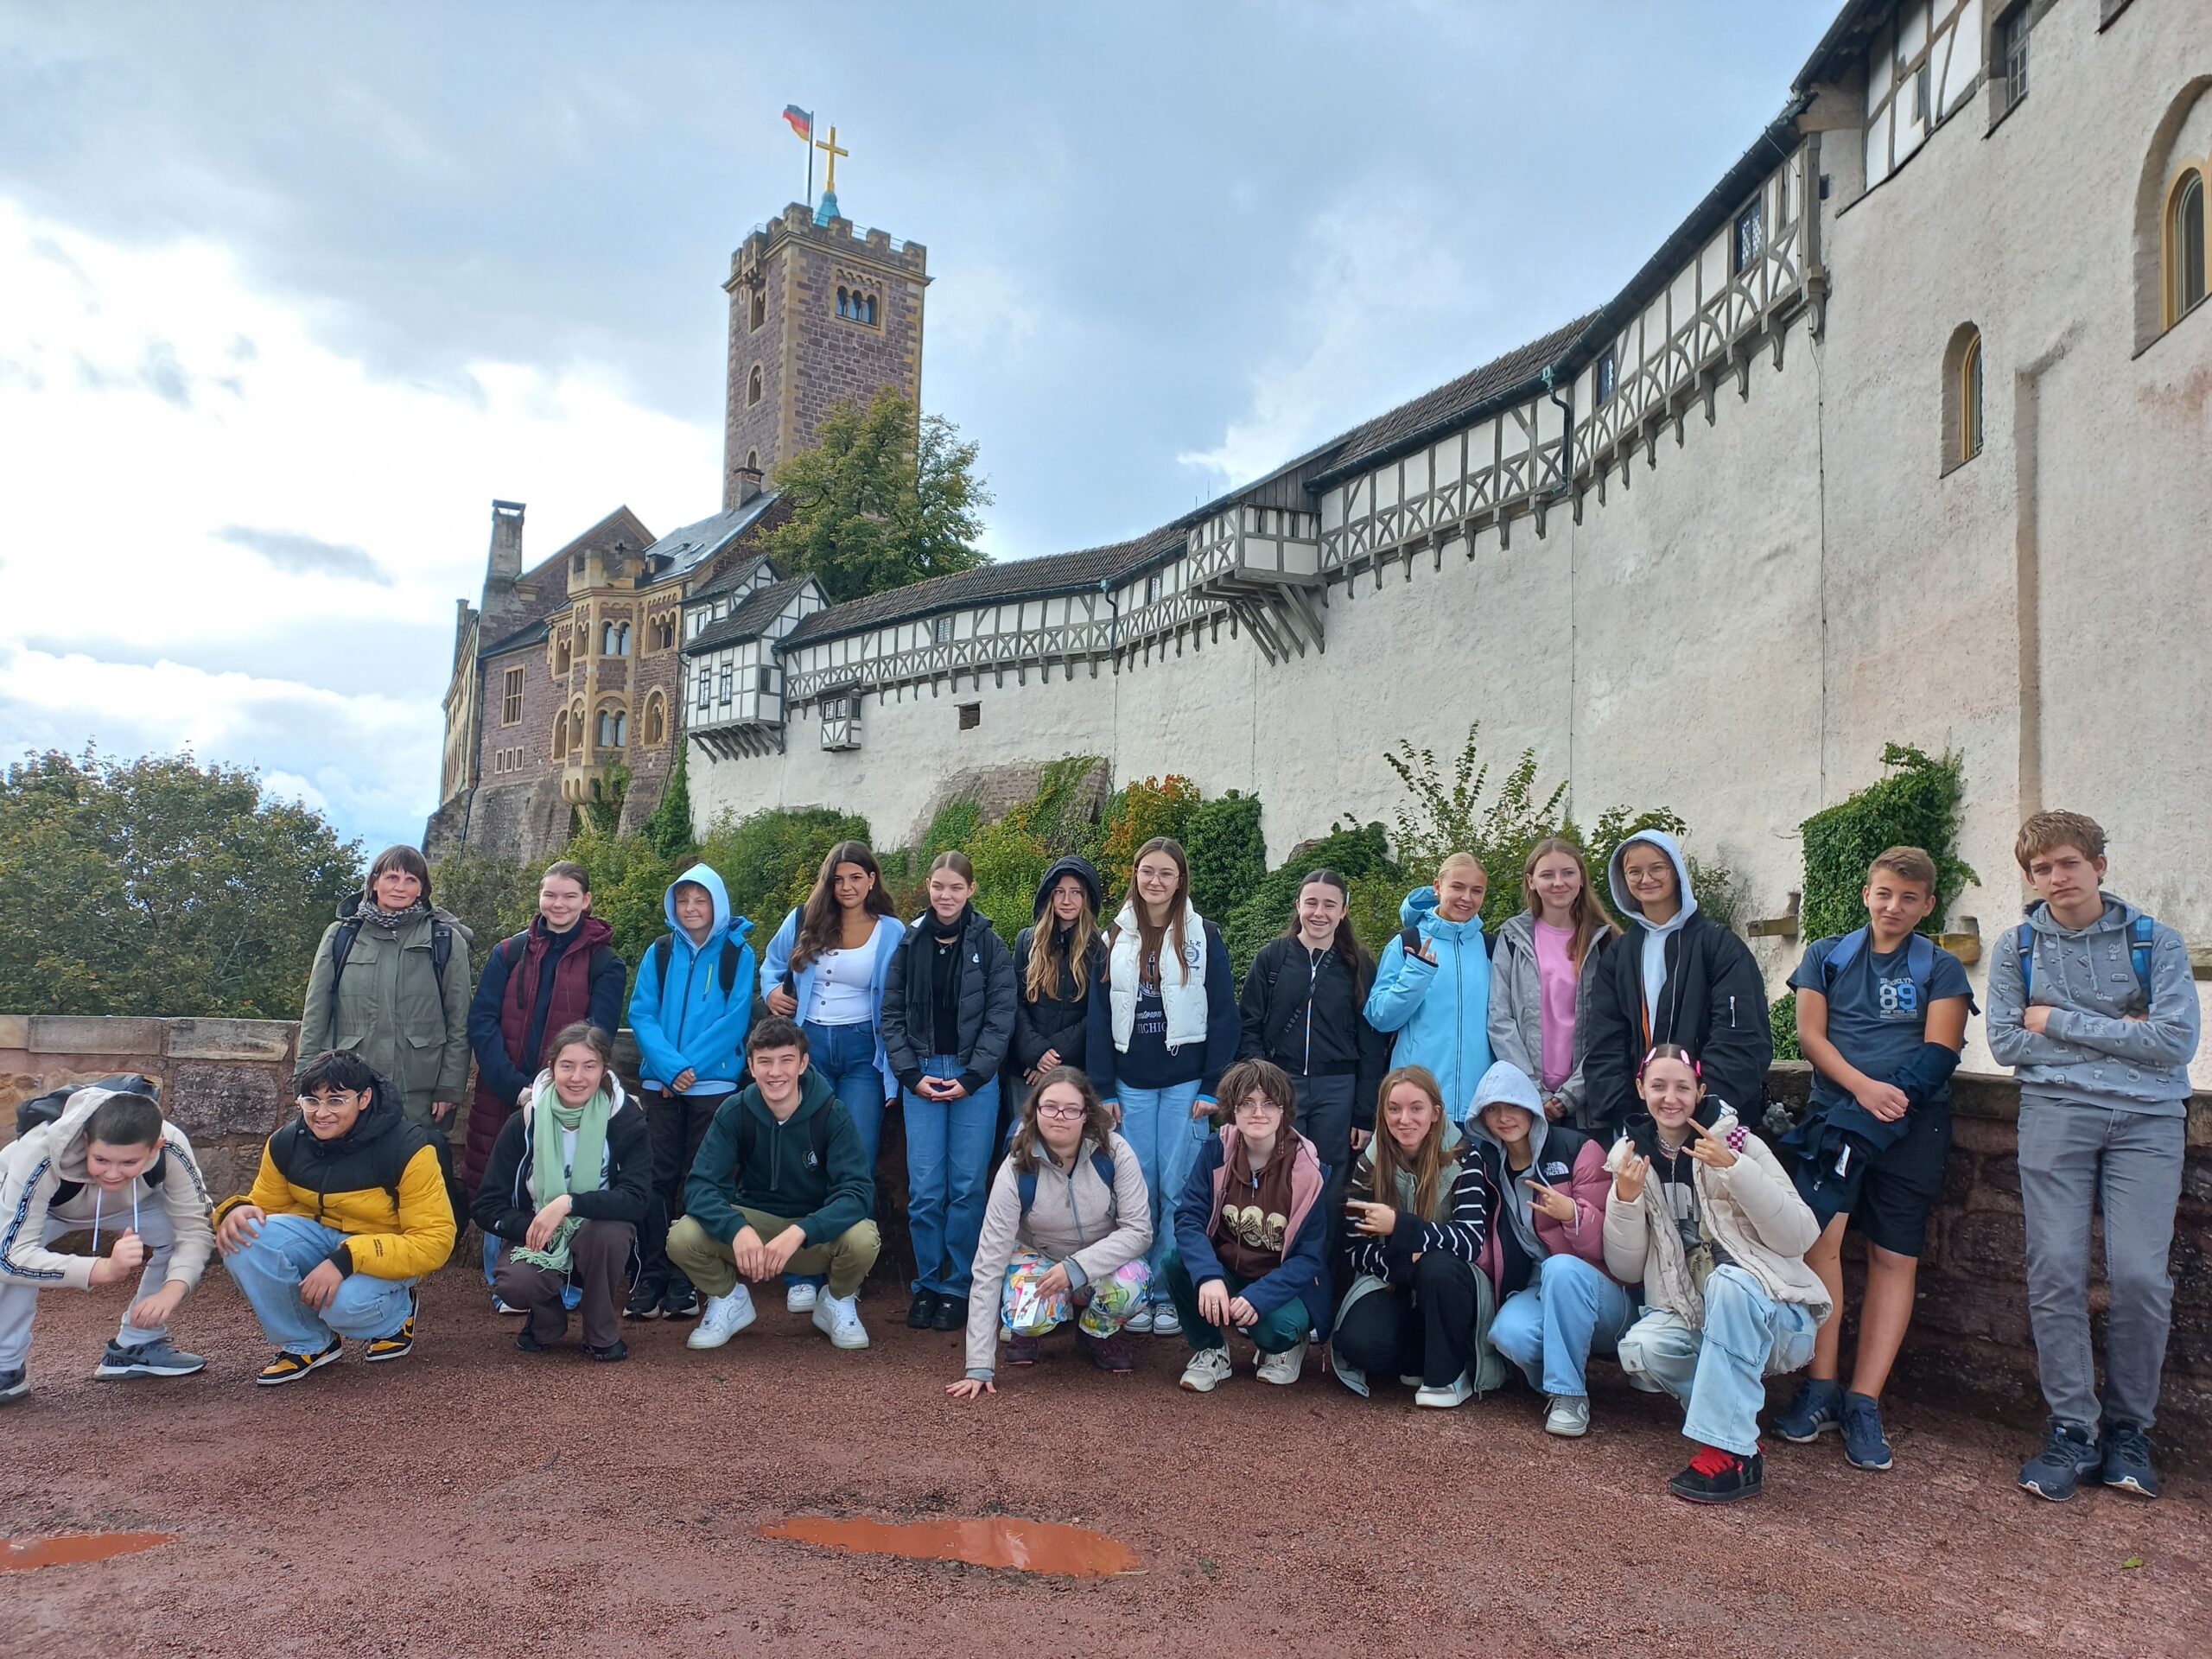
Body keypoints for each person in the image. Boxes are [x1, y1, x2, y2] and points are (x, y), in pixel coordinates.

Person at [1986, 810, 2201, 1503]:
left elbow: (2174, 1044)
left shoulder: (2155, 942)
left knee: (2140, 1277)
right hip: (2055, 1116)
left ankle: (2130, 1433)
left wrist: (2057, 1021)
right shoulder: (2016, 948)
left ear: (2098, 865)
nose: (2056, 878)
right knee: (2054, 1271)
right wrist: (2120, 1031)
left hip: (2148, 1120)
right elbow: (2005, 1044)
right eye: (2041, 869)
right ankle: (2073, 1430)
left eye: (2067, 864)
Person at [1774, 846, 1973, 1472]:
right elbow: (1809, 1036)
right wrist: (1862, 1093)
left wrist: (1892, 1104)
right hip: (1835, 1117)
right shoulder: (1825, 955)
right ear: (1867, 893)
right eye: (1884, 893)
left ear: (1928, 905)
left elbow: (1941, 1050)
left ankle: (1864, 1401)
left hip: (1914, 1126)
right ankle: (1820, 1386)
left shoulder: (1941, 967)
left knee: (1893, 1256)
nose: (1894, 906)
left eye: (1909, 898)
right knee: (1819, 1245)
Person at [1605, 1045, 1827, 1503]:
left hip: (1777, 1318)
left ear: (1701, 1091)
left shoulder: (1741, 1143)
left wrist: (1735, 1170)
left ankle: (1729, 1452)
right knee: (1642, 1349)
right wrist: (1623, 1203)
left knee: (1728, 1281)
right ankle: (1736, 1426)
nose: (1671, 1098)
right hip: (1698, 1317)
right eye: (1659, 1086)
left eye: (1683, 1087)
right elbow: (1626, 1268)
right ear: (1640, 1089)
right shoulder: (1630, 1159)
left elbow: (1801, 1236)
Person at [215, 1050, 457, 1386]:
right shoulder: (286, 1142)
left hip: (385, 1253)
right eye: (311, 1101)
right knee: (244, 1236)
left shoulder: (407, 1147)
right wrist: (234, 1210)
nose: (321, 1113)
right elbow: (265, 1210)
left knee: (343, 1306)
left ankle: (398, 1315)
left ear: (364, 1098)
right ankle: (309, 1343)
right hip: (321, 1242)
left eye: (336, 1100)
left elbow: (435, 1240)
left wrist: (348, 1258)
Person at [1087, 836, 1239, 1337]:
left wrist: (1213, 1085)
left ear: (1180, 880)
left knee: (1178, 1191)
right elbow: (1097, 1017)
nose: (1155, 881)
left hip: (1185, 1084)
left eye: (1166, 873)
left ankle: (1171, 1294)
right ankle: (1137, 1289)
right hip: (1129, 1086)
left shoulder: (1205, 934)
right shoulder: (1112, 937)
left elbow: (1223, 1014)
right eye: (1147, 871)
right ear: (1135, 875)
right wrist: (1104, 1089)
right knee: (1136, 1190)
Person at [465, 860, 625, 1307]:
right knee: (505, 1181)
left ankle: (567, 1280)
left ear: (586, 901)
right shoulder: (508, 953)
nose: (559, 904)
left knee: (572, 1177)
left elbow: (600, 1035)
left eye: (570, 896)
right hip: (506, 1092)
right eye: (551, 894)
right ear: (540, 897)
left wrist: (555, 1087)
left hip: (569, 1093)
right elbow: (482, 1022)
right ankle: (505, 1282)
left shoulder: (605, 962)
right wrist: (515, 1086)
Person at [670, 1018, 880, 1352]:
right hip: (754, 1229)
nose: (775, 1072)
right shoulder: (735, 1111)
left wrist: (802, 1231)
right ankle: (728, 1298)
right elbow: (700, 1186)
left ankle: (837, 1301)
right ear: (750, 1066)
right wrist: (737, 1229)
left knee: (864, 1238)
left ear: (803, 1063)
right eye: (764, 1062)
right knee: (683, 1236)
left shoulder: (831, 1112)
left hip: (811, 1237)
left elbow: (856, 1192)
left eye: (785, 1060)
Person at [0, 1082, 214, 1402]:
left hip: (133, 1205)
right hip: (44, 1209)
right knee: (8, 1254)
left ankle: (137, 1344)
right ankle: (6, 1367)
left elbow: (196, 1229)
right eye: (101, 1159)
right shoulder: (39, 1151)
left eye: (129, 1162)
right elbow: (10, 1256)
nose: (113, 1173)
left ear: (155, 1147)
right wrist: (101, 1269)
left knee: (179, 1233)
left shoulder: (172, 1146)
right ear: (86, 1140)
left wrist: (174, 1289)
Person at [947, 1068, 1153, 1398]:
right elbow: (989, 1263)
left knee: (1134, 1283)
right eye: (1050, 1107)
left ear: (1086, 1114)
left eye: (1071, 1109)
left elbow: (1139, 1231)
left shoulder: (1114, 1152)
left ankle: (1095, 1332)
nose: (1060, 1116)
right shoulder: (1017, 1165)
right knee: (1025, 1315)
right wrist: (978, 1365)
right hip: (1039, 1257)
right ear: (1035, 1110)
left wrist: (1076, 1268)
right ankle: (1026, 1332)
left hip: (1100, 1262)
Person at [882, 852, 1017, 1332]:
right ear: (928, 886)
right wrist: (908, 1075)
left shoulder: (991, 945)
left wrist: (973, 1076)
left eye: (955, 888)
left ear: (970, 890)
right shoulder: (910, 942)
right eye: (939, 887)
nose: (946, 896)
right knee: (924, 1191)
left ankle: (958, 1286)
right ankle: (927, 1284)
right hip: (921, 1076)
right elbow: (891, 1015)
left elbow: (1002, 1019)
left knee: (965, 1189)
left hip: (971, 1080)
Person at [1467, 1060, 1630, 1437]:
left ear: (1530, 1106)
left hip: (1603, 1290)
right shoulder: (1490, 1164)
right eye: (1492, 1110)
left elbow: (1614, 1244)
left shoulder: (1578, 1149)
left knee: (1561, 1268)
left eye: (1512, 1105)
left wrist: (1571, 1214)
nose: (1504, 1118)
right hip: (1541, 1284)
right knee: (1508, 1334)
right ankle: (1562, 1380)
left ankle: (1569, 1396)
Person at [1238, 867, 1389, 1269]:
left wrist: (1363, 1109)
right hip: (1280, 1087)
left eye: (1329, 904)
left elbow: (1371, 1042)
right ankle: (1268, 1274)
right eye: (1311, 903)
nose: (1319, 912)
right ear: (1298, 906)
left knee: (1327, 1183)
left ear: (1343, 910)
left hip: (1337, 1089)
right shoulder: (1272, 958)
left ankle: (1319, 1278)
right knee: (1274, 1177)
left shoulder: (1358, 964)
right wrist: (1260, 1086)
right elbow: (1249, 1023)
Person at [626, 863, 757, 1323]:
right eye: (683, 900)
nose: (691, 908)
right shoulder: (659, 951)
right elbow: (641, 1013)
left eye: (700, 900)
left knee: (702, 1180)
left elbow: (735, 1020)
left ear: (717, 904)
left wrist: (688, 1067)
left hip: (714, 1084)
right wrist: (669, 1067)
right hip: (661, 1084)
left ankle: (687, 1278)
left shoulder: (737, 953)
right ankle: (652, 1274)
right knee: (656, 1179)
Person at [474, 1024, 652, 1361]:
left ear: (604, 1070)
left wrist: (569, 1203)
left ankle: (600, 1330)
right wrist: (531, 1225)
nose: (577, 1077)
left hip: (597, 1231)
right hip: (538, 1233)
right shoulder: (525, 1121)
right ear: (552, 1067)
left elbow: (638, 1198)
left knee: (608, 1235)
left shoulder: (626, 1119)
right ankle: (546, 1319)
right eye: (567, 1066)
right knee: (513, 1284)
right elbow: (486, 1204)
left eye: (590, 1066)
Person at [1332, 1065, 1503, 1408]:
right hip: (1393, 1278)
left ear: (1436, 1113)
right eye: (1393, 1109)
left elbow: (1469, 1240)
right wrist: (1403, 1263)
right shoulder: (1370, 1162)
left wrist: (1399, 1227)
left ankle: (1448, 1377)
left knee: (1439, 1266)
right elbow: (1355, 1248)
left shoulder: (1466, 1157)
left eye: (1416, 1108)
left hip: (1451, 1286)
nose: (1404, 1119)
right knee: (1358, 1342)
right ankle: (1417, 1359)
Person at [1581, 830, 1770, 1140]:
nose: (1646, 878)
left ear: (1677, 872)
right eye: (1634, 871)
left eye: (1657, 868)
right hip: (1641, 1124)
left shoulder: (1719, 945)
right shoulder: (1619, 954)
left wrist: (1703, 1107)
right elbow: (1606, 1041)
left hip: (1711, 1123)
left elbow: (1740, 1036)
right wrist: (1627, 1116)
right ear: (1622, 879)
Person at [1162, 1058, 1329, 1392]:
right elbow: (1189, 1218)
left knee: (1273, 1330)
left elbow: (1309, 1257)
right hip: (1227, 1269)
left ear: (1284, 1110)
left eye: (1269, 1103)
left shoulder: (1308, 1168)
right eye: (1247, 1103)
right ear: (1232, 1109)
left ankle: (1286, 1347)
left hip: (1280, 1282)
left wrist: (1260, 1297)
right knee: (1176, 1262)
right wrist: (1209, 1276)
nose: (1258, 1113)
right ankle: (1211, 1350)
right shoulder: (1216, 1150)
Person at [298, 845, 474, 1128]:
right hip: (347, 1085)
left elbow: (459, 1019)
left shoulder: (445, 939)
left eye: (411, 880)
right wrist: (305, 1078)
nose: (400, 887)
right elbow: (316, 1012)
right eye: (392, 877)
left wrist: (449, 1087)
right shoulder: (342, 935)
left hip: (419, 1091)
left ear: (422, 889)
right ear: (374, 882)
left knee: (414, 1168)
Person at [1487, 837, 1618, 1133]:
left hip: (1588, 1100)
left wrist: (1570, 1095)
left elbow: (1612, 1029)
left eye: (1568, 873)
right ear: (1531, 882)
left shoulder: (1606, 942)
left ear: (1582, 878)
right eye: (1547, 875)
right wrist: (1532, 1088)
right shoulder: (1512, 937)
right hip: (1526, 1099)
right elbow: (1499, 1018)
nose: (1558, 882)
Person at [1363, 853, 1495, 1124]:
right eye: (1457, 887)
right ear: (1437, 887)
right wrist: (1417, 974)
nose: (1466, 898)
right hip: (1415, 1106)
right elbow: (1380, 1017)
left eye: (1476, 890)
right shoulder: (1406, 941)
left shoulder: (1491, 948)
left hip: (1478, 1106)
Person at [1008, 855, 1109, 1124]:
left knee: (1066, 1147)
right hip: (1026, 1070)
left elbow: (1099, 1012)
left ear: (1087, 898)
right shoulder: (1026, 942)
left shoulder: (1100, 949)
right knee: (1024, 1148)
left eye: (1076, 892)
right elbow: (1013, 1002)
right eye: (1059, 892)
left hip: (1075, 1073)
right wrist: (1034, 1052)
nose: (1067, 900)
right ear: (1049, 896)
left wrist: (1052, 1058)